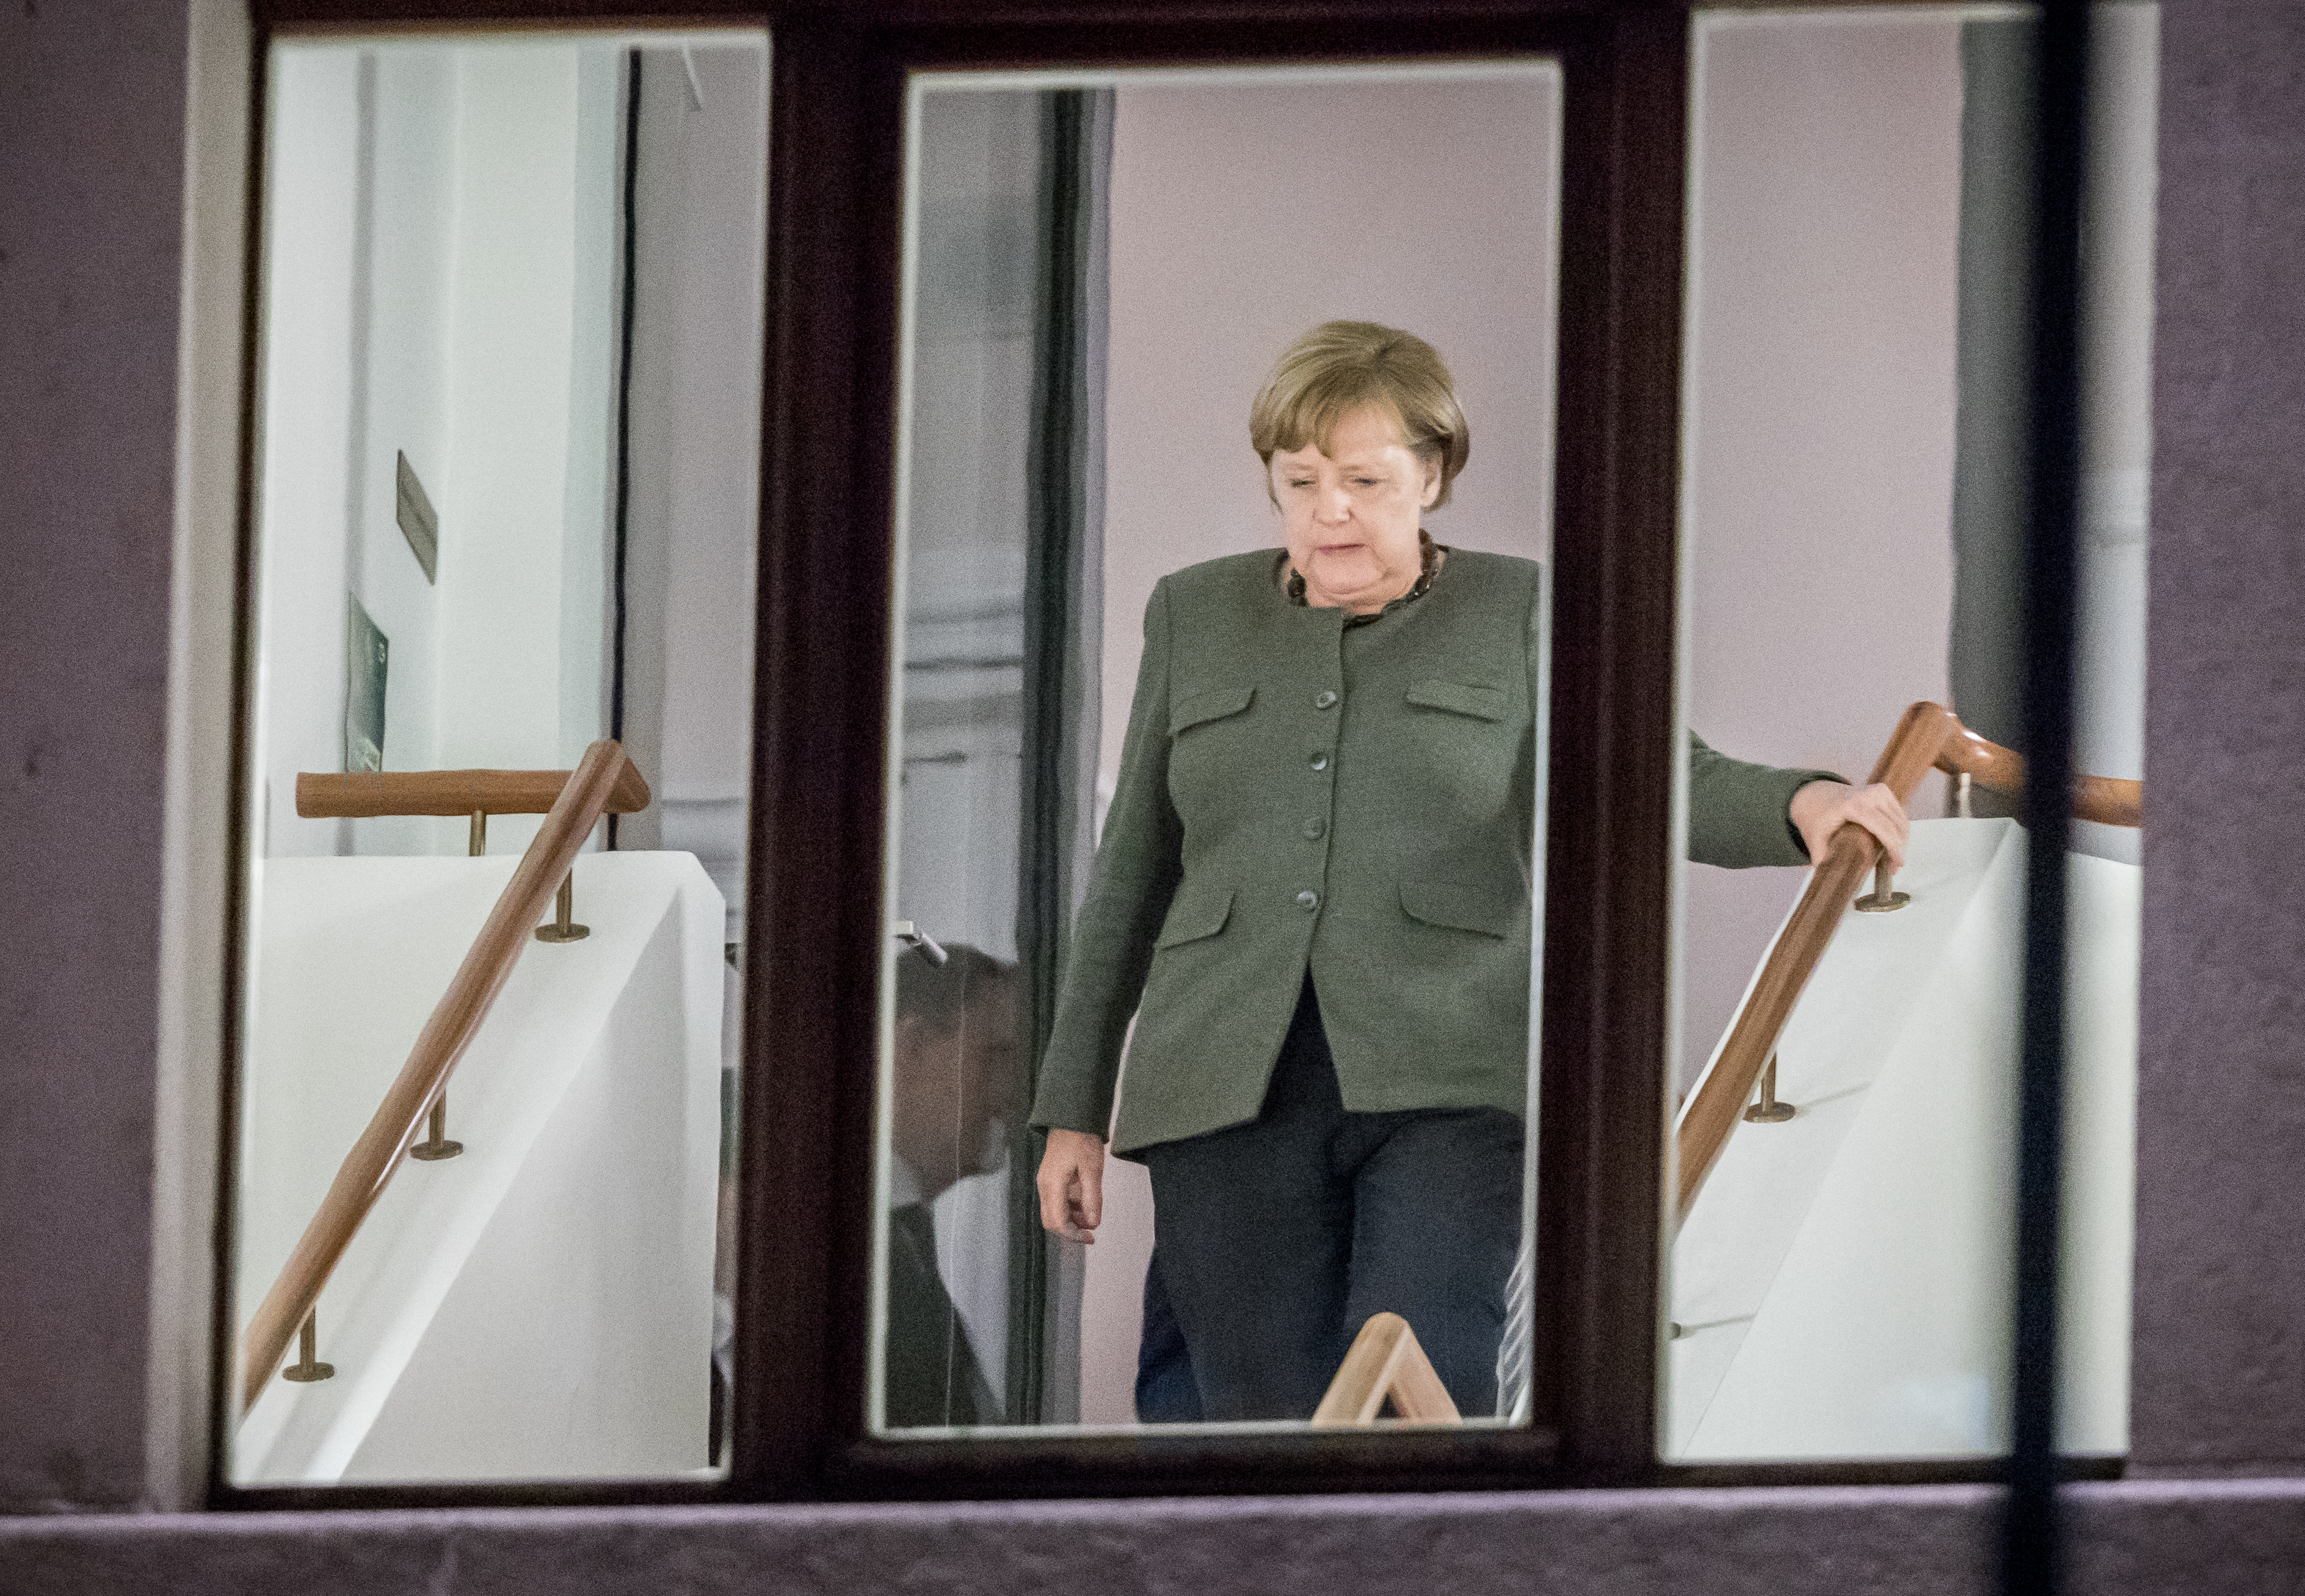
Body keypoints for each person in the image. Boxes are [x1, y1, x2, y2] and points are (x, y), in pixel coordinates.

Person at [1029, 321, 1908, 1422]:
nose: (1328, 509)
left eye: (1363, 478)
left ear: (1431, 475)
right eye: (1298, 480)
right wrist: (1072, 1108)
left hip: (1450, 1073)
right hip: (1219, 1079)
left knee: (1423, 1390)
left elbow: (1645, 768)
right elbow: (1129, 878)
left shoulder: (1521, 611)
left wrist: (1801, 801)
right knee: (1256, 1416)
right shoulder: (1192, 613)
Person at [884, 941, 1019, 1428]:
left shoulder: (903, 1241)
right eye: (997, 1057)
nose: (1013, 1098)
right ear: (912, 1049)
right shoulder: (831, 1248)